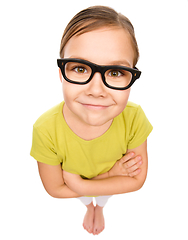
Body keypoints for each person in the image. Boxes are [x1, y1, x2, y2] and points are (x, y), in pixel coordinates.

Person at [30, 6, 153, 235]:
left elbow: (136, 180)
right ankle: (89, 206)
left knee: (103, 196)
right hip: (111, 177)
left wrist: (82, 184)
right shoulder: (45, 129)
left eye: (115, 72)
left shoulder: (134, 118)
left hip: (81, 182)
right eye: (79, 68)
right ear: (61, 73)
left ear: (132, 76)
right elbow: (55, 189)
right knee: (87, 198)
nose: (96, 90)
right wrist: (110, 176)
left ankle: (99, 207)